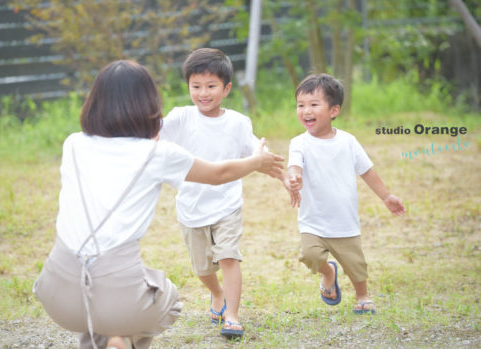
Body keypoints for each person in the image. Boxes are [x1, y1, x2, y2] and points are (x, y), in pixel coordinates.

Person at [32, 60, 284, 349]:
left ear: (94, 102)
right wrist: (256, 162)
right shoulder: (157, 154)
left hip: (56, 294)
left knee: (98, 325)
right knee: (169, 300)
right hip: (118, 296)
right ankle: (124, 337)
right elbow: (219, 174)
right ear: (148, 103)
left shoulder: (73, 144)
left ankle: (112, 338)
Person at [159, 48, 263, 339]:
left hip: (228, 203)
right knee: (203, 268)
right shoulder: (181, 118)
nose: (203, 93)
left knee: (229, 257)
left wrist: (283, 173)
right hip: (191, 207)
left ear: (226, 88)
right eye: (196, 86)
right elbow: (153, 134)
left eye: (211, 86)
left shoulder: (239, 123)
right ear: (188, 87)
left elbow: (257, 154)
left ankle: (232, 315)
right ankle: (216, 293)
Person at [285, 73, 406, 315]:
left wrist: (386, 196)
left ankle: (363, 296)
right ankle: (328, 272)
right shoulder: (299, 142)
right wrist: (294, 178)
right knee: (310, 255)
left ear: (334, 110)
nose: (305, 111)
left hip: (344, 220)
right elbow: (294, 165)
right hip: (313, 220)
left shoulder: (348, 142)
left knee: (356, 265)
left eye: (313, 104)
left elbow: (367, 172)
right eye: (301, 105)